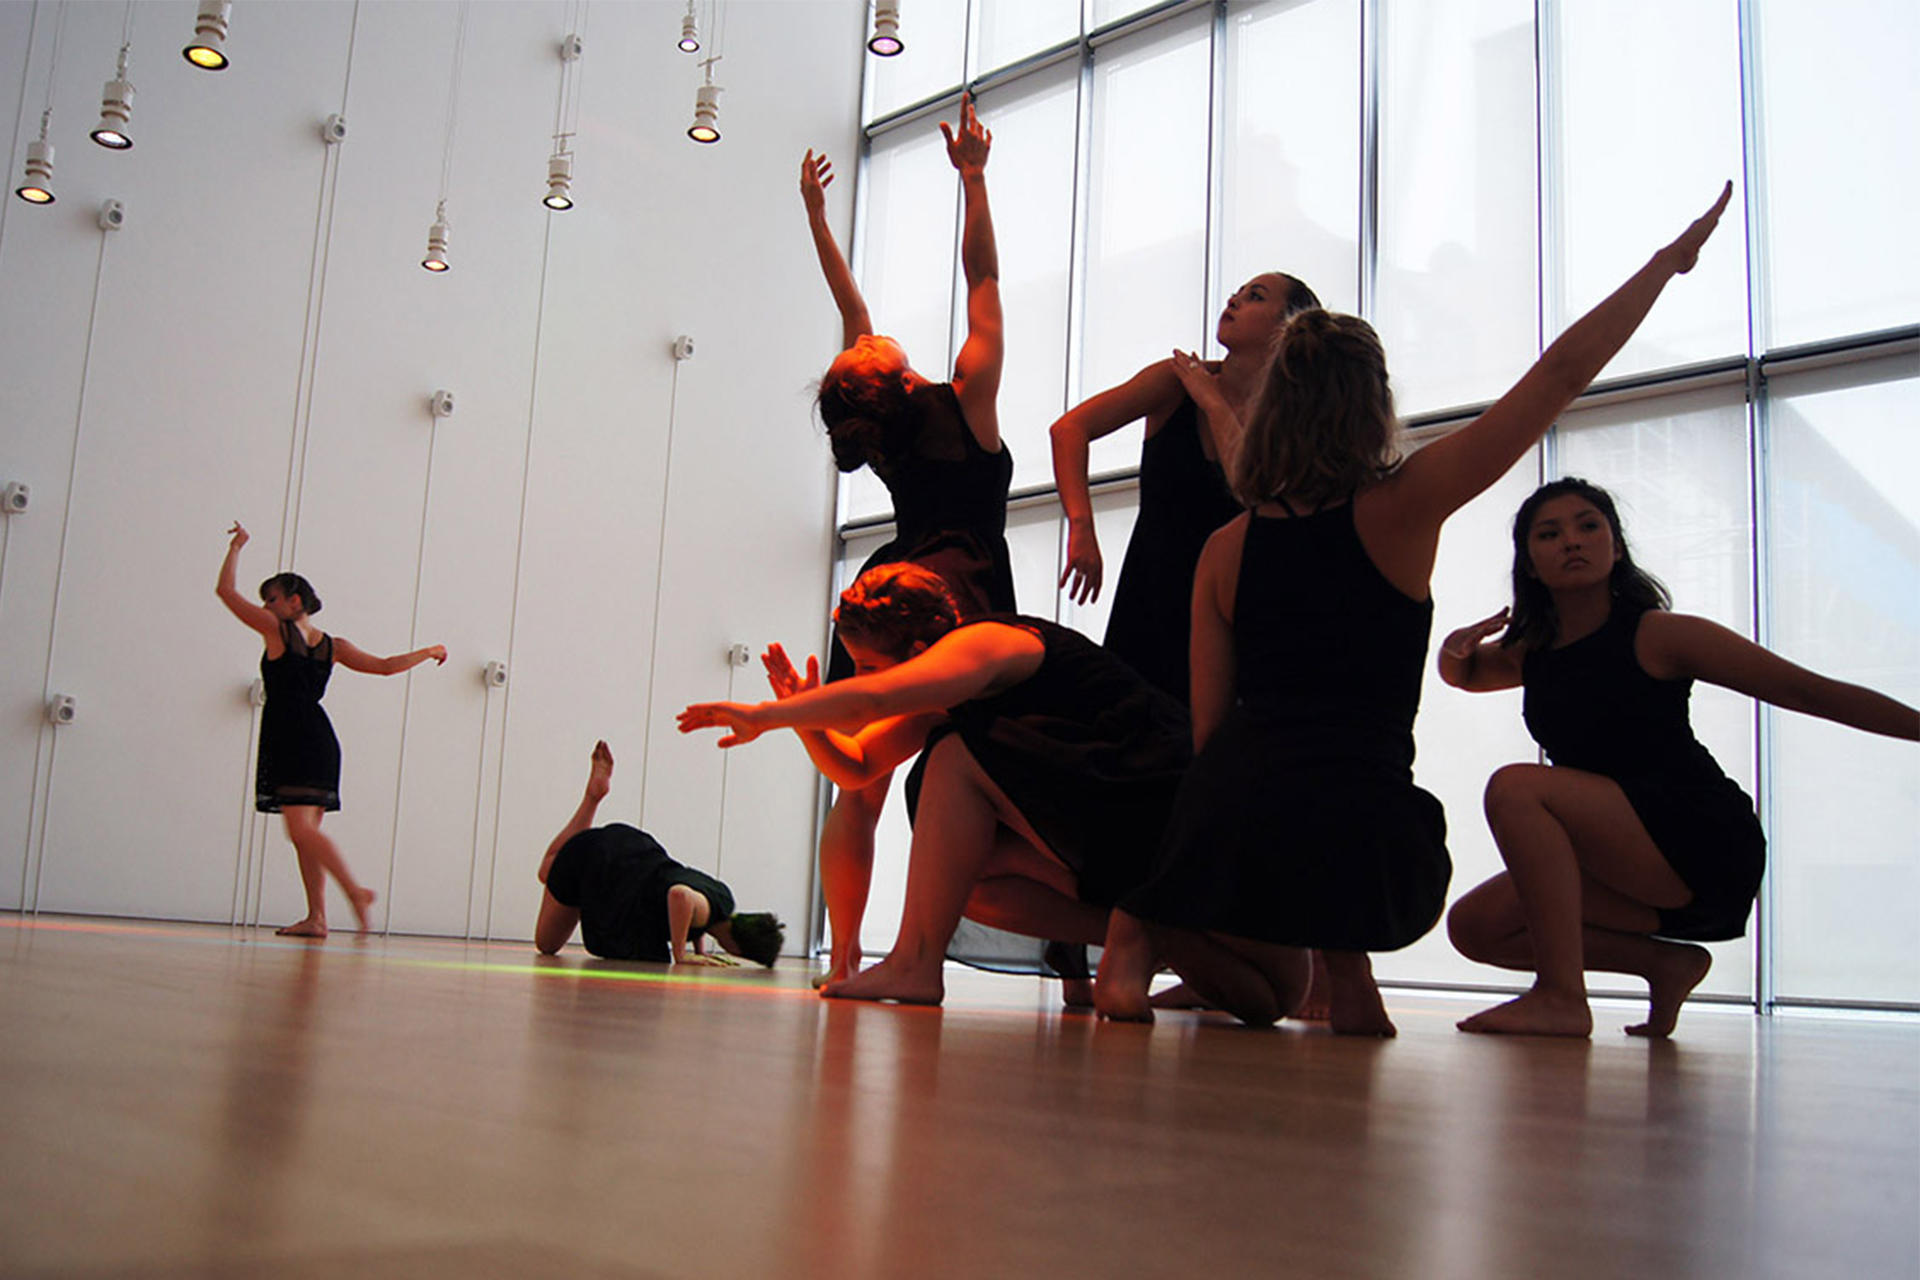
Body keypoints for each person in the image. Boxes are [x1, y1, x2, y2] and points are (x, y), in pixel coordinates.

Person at [1094, 183, 1737, 1034]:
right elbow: (1557, 377)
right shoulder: (1402, 506)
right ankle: (1344, 969)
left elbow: (1212, 735)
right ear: (1371, 403)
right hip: (1369, 845)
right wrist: (1665, 265)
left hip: (1236, 823)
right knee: (1344, 790)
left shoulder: (1228, 547)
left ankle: (1143, 941)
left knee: (1247, 814)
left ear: (1274, 408)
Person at [1438, 478, 1918, 1038]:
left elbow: (1807, 691)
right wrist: (1456, 645)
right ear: (1531, 563)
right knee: (1476, 928)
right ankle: (1666, 964)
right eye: (1550, 533)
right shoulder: (1535, 653)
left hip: (1699, 840)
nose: (1572, 540)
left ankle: (1561, 997)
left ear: (1616, 547)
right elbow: (1466, 675)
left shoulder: (1659, 635)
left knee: (1518, 787)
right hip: (1626, 855)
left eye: (1588, 526)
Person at [677, 562, 1191, 1006]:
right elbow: (857, 767)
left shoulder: (985, 644)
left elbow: (872, 701)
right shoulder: (945, 698)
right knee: (964, 884)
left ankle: (914, 964)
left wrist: (768, 714)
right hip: (1108, 831)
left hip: (1158, 807)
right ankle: (1149, 932)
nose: (857, 678)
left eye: (867, 666)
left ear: (918, 650)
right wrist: (806, 722)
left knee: (953, 758)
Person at [800, 94, 1016, 985]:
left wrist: (818, 222)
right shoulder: (966, 395)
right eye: (863, 348)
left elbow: (850, 310)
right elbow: (983, 284)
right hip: (955, 594)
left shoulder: (881, 424)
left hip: (884, 595)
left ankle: (848, 953)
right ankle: (912, 949)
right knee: (973, 770)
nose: (866, 335)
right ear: (887, 377)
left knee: (860, 780)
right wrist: (973, 182)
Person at [1050, 271, 1320, 705]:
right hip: (1148, 605)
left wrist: (1210, 399)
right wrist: (1082, 527)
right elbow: (1069, 429)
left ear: (1285, 329)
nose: (1234, 298)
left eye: (1255, 297)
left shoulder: (1286, 429)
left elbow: (1258, 496)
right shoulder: (1175, 382)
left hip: (1229, 621)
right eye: (1239, 291)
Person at [216, 521, 447, 938]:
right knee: (306, 835)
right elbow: (384, 666)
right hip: (319, 738)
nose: (266, 608)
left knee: (300, 830)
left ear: (294, 600)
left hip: (295, 737)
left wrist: (237, 548)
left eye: (271, 599)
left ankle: (354, 892)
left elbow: (226, 594)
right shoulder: (332, 646)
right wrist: (427, 652)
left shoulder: (278, 631)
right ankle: (317, 917)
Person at [534, 741, 785, 967]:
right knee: (547, 944)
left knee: (550, 870)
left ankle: (592, 799)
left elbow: (694, 907)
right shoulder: (706, 912)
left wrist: (698, 949)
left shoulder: (723, 900)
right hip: (611, 872)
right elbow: (680, 896)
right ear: (738, 949)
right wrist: (681, 955)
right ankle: (592, 800)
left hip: (629, 852)